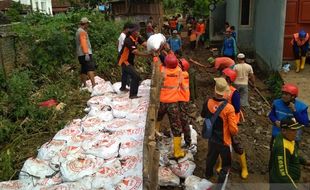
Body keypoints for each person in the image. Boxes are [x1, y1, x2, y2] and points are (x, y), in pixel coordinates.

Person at [201, 77, 238, 190]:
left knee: (211, 158)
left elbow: (203, 115)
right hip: (224, 141)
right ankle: (219, 187)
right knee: (226, 165)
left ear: (215, 90)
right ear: (225, 92)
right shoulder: (229, 108)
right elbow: (233, 130)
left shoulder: (208, 102)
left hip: (212, 138)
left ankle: (208, 175)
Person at [214, 68, 248, 179]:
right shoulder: (219, 88)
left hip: (231, 121)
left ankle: (244, 168)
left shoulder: (234, 93)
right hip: (220, 120)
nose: (221, 76)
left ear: (228, 79)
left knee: (235, 143)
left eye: (223, 75)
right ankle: (220, 164)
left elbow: (237, 109)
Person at [156, 53, 186, 159]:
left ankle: (155, 137)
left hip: (161, 101)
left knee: (157, 118)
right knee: (176, 126)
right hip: (173, 102)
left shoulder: (162, 70)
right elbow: (182, 84)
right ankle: (177, 151)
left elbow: (157, 63)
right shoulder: (179, 71)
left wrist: (156, 56)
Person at [268, 83, 309, 149]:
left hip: (292, 138)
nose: (283, 96)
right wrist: (275, 121)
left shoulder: (301, 107)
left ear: (293, 96)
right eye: (283, 94)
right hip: (277, 134)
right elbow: (271, 115)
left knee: (290, 157)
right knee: (274, 155)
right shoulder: (277, 103)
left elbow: (305, 122)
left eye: (286, 94)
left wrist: (294, 111)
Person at [269, 117, 303, 190]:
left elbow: (293, 154)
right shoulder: (282, 147)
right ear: (284, 130)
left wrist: (305, 162)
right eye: (293, 130)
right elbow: (283, 174)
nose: (296, 132)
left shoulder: (288, 138)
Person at [118, 24, 150, 99]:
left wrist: (153, 47)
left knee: (125, 74)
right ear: (133, 32)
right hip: (124, 61)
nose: (138, 32)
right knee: (136, 76)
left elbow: (145, 44)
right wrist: (148, 54)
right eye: (137, 31)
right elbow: (135, 52)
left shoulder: (136, 38)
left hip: (129, 61)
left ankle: (123, 88)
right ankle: (132, 95)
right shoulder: (128, 40)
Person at [76, 17, 96, 90]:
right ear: (85, 24)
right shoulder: (82, 32)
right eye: (88, 23)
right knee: (90, 68)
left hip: (80, 54)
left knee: (84, 69)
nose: (88, 25)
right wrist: (86, 53)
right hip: (85, 53)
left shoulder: (78, 31)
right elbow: (84, 43)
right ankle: (94, 85)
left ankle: (84, 84)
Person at [176, 51, 191, 146]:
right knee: (181, 119)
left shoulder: (183, 74)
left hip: (183, 100)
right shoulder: (184, 73)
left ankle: (187, 140)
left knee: (184, 119)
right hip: (182, 98)